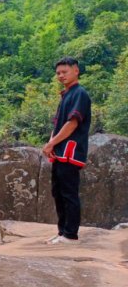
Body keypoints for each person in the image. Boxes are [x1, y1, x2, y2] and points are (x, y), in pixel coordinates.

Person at [42, 57, 91, 245]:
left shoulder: (80, 94)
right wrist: (51, 144)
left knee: (69, 193)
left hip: (70, 151)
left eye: (65, 72)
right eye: (58, 73)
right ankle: (62, 232)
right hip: (60, 151)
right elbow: (58, 124)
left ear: (76, 70)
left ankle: (70, 234)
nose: (61, 75)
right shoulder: (67, 95)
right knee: (58, 192)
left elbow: (72, 124)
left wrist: (51, 143)